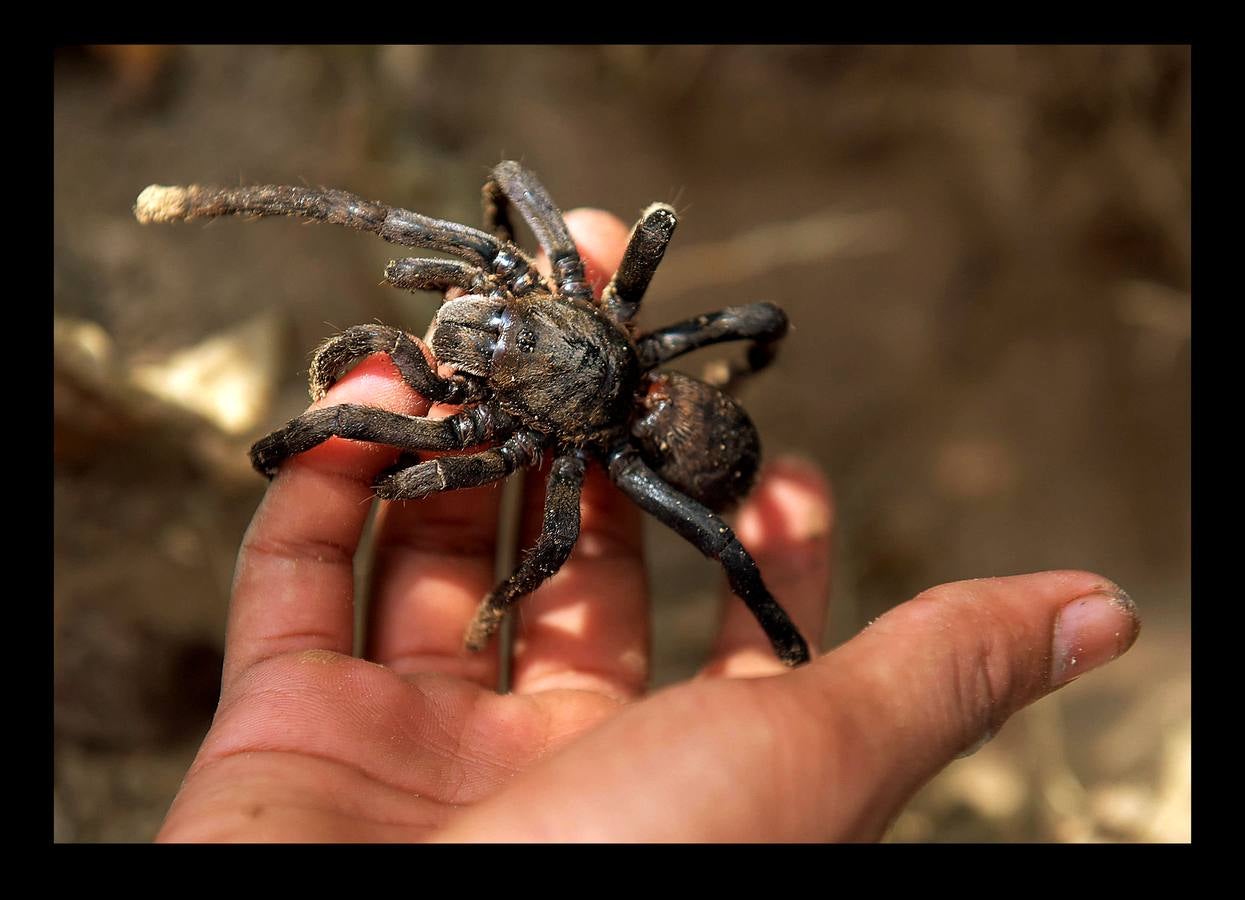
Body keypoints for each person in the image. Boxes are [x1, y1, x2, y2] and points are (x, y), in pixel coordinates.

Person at [156, 209, 1140, 842]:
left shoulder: (516, 425)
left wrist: (500, 594)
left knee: (722, 535)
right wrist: (498, 215)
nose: (472, 309)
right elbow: (568, 213)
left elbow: (547, 547)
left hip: (669, 441)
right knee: (731, 317)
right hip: (646, 392)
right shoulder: (563, 301)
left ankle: (792, 652)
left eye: (490, 300)